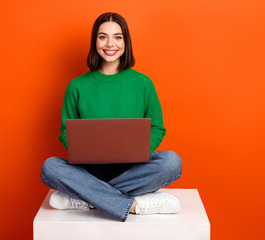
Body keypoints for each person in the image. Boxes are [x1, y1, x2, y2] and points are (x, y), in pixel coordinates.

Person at [40, 12, 182, 222]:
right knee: (50, 167)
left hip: (133, 170)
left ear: (126, 42)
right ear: (94, 41)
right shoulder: (77, 86)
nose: (110, 44)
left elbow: (157, 127)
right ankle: (132, 205)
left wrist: (138, 151)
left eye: (117, 37)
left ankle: (87, 197)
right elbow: (65, 132)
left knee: (172, 161)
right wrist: (86, 152)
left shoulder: (143, 83)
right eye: (103, 36)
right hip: (89, 172)